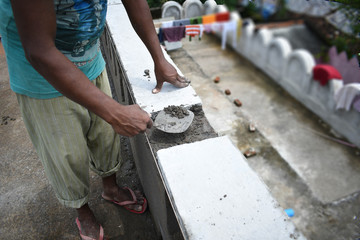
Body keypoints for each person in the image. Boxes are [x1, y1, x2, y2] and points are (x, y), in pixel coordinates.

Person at [0, 0, 190, 239]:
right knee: (67, 154)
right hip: (42, 76)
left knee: (105, 136)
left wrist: (159, 58)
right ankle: (82, 210)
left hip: (89, 58)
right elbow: (39, 50)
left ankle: (111, 189)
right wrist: (115, 112)